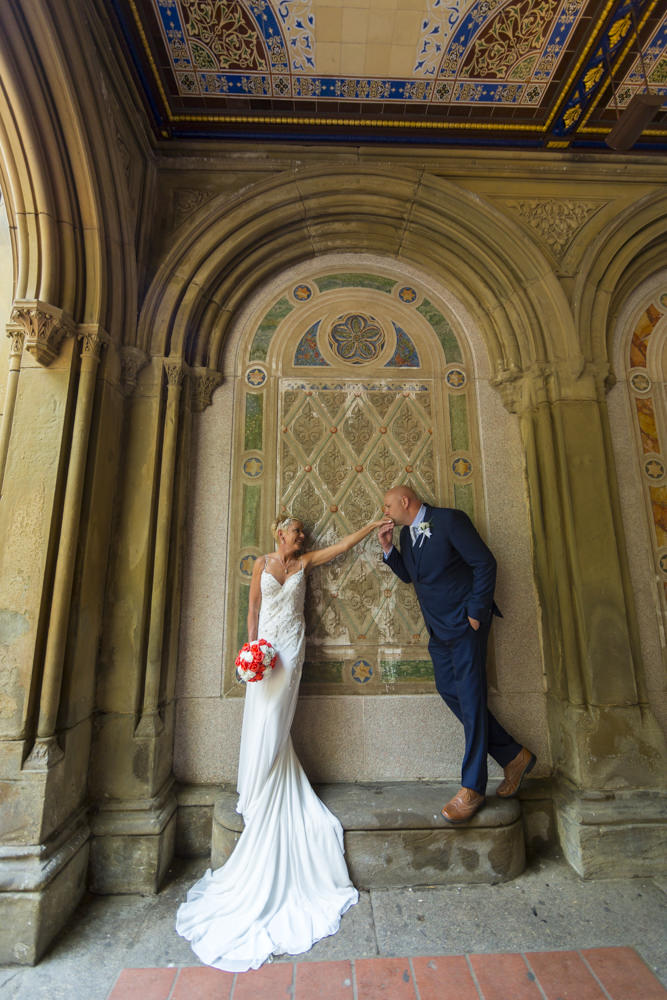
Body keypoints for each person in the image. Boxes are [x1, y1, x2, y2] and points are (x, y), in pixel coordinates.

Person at [176, 513, 389, 972]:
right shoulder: (262, 564)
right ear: (280, 534)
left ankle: (265, 781)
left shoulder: (306, 562)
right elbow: (253, 609)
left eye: (302, 534)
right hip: (265, 651)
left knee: (275, 719)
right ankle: (258, 786)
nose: (302, 537)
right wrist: (250, 650)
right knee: (262, 717)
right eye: (296, 532)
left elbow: (340, 549)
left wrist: (370, 526)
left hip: (291, 651)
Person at [379, 486, 535, 825]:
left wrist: (476, 612)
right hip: (439, 631)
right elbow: (412, 575)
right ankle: (514, 755)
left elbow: (485, 563)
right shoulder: (406, 536)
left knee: (471, 696)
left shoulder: (449, 520)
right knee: (450, 690)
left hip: (466, 626)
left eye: (388, 505)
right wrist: (389, 548)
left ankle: (473, 788)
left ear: (405, 501)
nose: (385, 510)